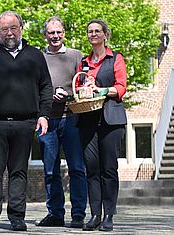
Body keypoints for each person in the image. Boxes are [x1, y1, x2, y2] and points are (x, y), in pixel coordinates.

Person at [0, 11, 53, 232]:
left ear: (21, 28)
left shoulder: (35, 55)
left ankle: (17, 217)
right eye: (4, 29)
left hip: (25, 122)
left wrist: (44, 115)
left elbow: (46, 86)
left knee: (19, 171)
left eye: (13, 28)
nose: (9, 33)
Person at [35, 16, 87, 228]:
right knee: (50, 170)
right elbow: (33, 87)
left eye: (58, 32)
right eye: (51, 33)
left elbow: (84, 86)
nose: (55, 36)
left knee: (76, 168)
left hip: (72, 118)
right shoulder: (38, 58)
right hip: (47, 120)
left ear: (63, 33)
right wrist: (46, 98)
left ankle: (78, 214)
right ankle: (55, 213)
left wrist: (68, 94)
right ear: (45, 35)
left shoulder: (76, 56)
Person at [76, 19, 127, 232]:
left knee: (109, 169)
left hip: (111, 120)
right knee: (92, 169)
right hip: (88, 120)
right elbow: (78, 88)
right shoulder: (83, 62)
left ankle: (109, 215)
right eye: (90, 31)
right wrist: (82, 90)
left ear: (105, 34)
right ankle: (95, 214)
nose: (93, 34)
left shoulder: (115, 58)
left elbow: (121, 87)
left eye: (98, 31)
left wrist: (101, 90)